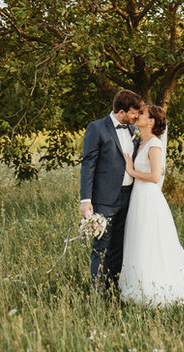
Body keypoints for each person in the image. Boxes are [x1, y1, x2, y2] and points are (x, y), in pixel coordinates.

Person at [118, 103, 184, 307]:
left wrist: (132, 172)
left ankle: (156, 285)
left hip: (149, 200)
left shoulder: (155, 145)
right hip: (138, 198)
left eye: (142, 113)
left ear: (151, 121)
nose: (137, 116)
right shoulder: (140, 142)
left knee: (149, 241)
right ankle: (138, 282)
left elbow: (155, 175)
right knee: (138, 241)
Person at [79, 89, 145, 292]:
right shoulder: (97, 128)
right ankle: (98, 293)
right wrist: (86, 200)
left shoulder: (134, 131)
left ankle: (114, 288)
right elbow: (88, 164)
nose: (137, 116)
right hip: (105, 199)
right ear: (122, 111)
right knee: (101, 248)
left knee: (119, 247)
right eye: (134, 112)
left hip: (129, 196)